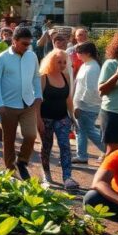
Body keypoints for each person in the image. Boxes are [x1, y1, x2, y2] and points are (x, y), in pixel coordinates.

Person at [0, 26, 42, 180]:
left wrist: (38, 95)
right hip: (8, 106)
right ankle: (10, 168)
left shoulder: (31, 56)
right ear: (14, 41)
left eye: (29, 43)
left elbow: (35, 77)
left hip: (28, 103)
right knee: (9, 139)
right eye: (24, 43)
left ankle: (22, 161)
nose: (27, 47)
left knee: (31, 135)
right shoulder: (2, 58)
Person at [38, 49, 79, 190]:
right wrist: (38, 120)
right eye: (59, 62)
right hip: (46, 118)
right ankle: (46, 174)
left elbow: (68, 98)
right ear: (51, 61)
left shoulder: (65, 75)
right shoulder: (43, 76)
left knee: (65, 146)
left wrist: (72, 116)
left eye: (64, 62)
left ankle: (67, 177)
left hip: (62, 118)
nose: (62, 65)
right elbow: (38, 101)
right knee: (47, 147)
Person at [71, 41, 105, 164]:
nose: (77, 54)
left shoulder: (92, 67)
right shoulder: (86, 65)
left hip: (87, 105)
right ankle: (82, 155)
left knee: (87, 130)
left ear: (88, 53)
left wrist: (79, 104)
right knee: (81, 130)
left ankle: (108, 150)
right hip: (83, 104)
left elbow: (90, 89)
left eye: (79, 52)